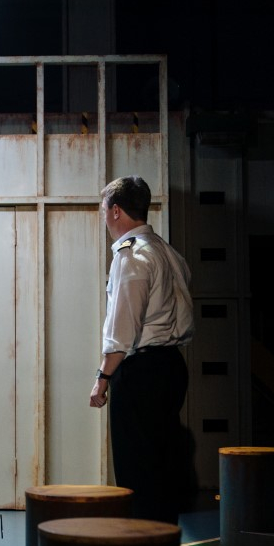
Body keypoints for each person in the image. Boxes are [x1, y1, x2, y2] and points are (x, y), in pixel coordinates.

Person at [90, 176, 196, 524]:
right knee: (163, 463)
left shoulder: (130, 256)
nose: (104, 219)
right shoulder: (168, 252)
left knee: (136, 467)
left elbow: (122, 327)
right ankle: (162, 543)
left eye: (104, 210)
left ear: (116, 210)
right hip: (172, 366)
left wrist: (102, 378)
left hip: (141, 371)